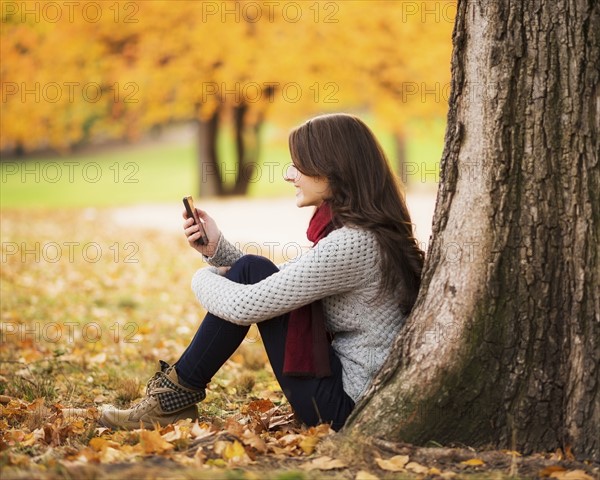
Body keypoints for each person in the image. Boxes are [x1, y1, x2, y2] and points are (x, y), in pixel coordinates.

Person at [99, 113, 425, 431]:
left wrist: (202, 277)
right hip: (346, 393)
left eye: (299, 165)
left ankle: (169, 402)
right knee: (252, 267)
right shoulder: (363, 233)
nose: (289, 175)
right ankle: (172, 398)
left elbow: (247, 305)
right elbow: (277, 282)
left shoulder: (352, 243)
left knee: (250, 271)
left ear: (332, 168)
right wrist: (217, 251)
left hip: (344, 408)